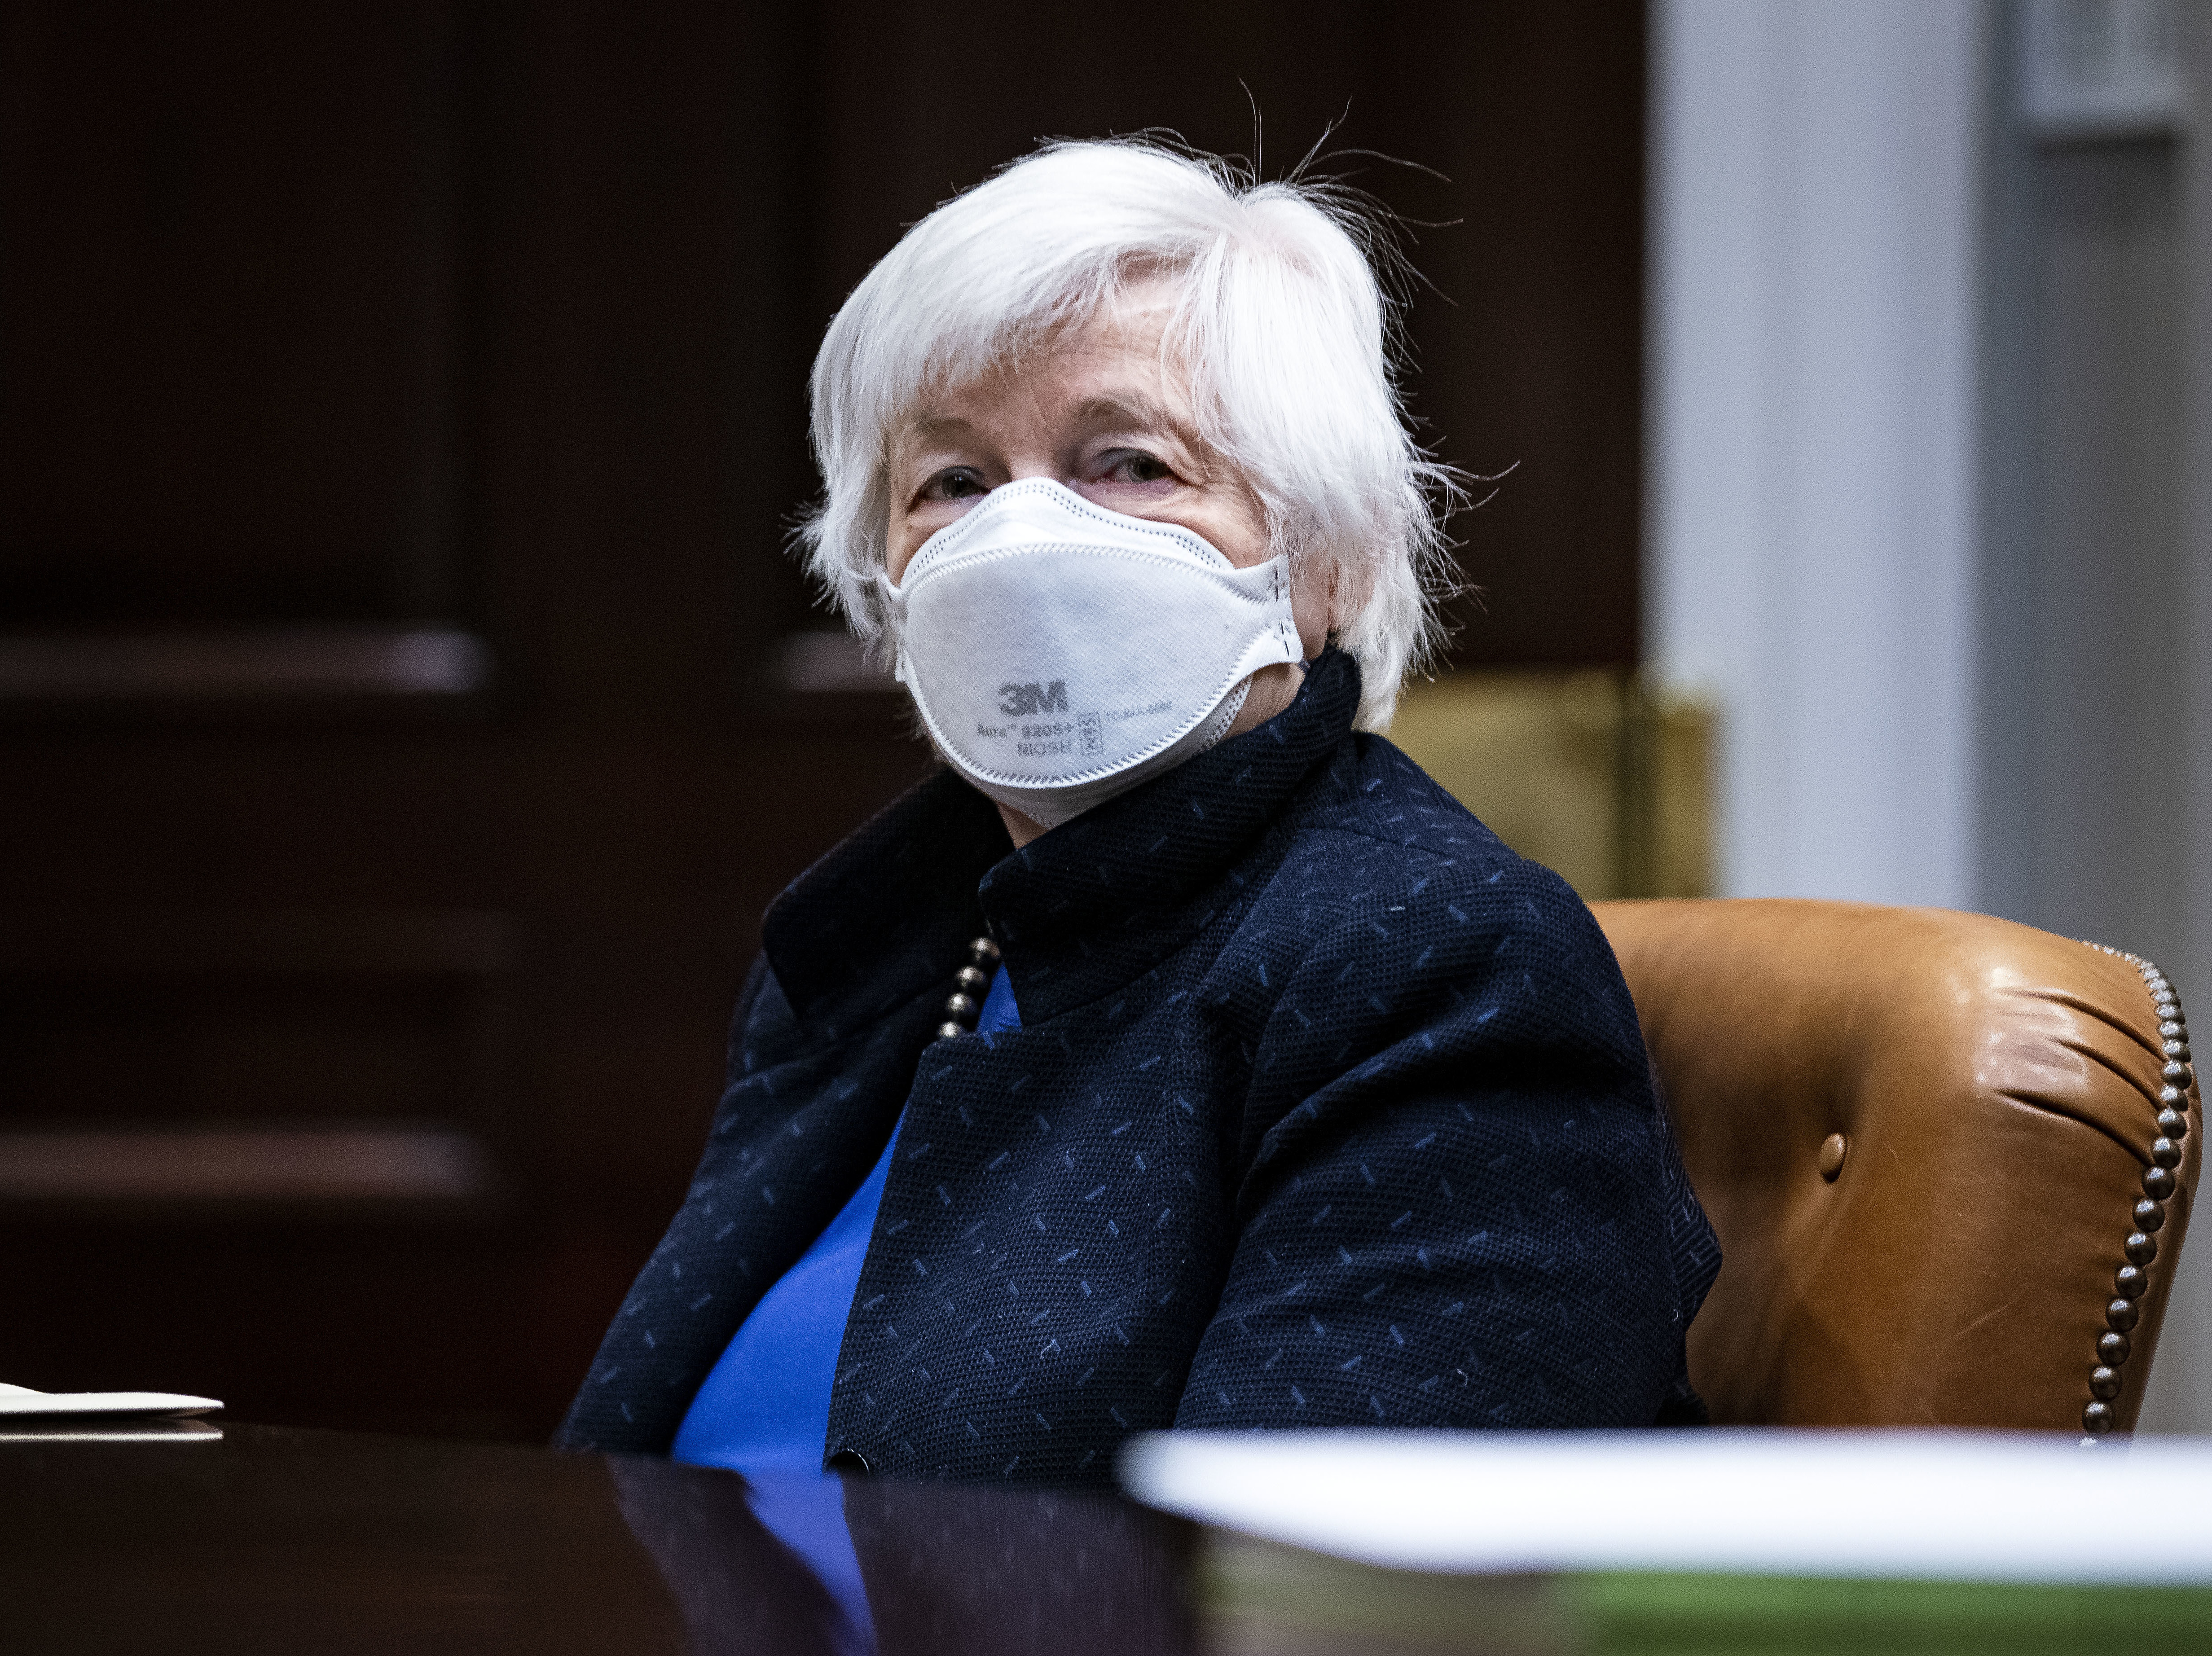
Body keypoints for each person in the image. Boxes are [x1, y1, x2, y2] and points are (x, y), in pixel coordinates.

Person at [558, 141, 1719, 1490]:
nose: (1026, 537)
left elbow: (1306, 1600)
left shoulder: (1441, 968)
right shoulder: (883, 955)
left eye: (1129, 463)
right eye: (953, 482)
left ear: (1326, 560)